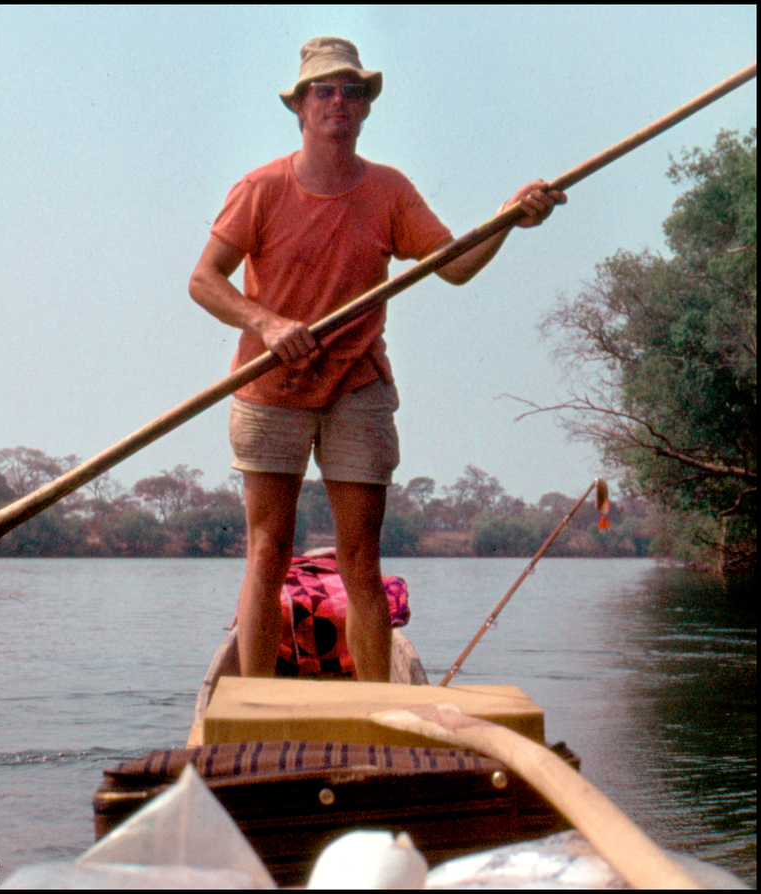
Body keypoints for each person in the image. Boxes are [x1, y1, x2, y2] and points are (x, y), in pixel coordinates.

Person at [189, 37, 565, 681]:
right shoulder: (261, 188)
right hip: (270, 387)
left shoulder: (389, 190)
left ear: (365, 109)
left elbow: (457, 266)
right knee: (268, 552)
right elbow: (205, 280)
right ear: (301, 107)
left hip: (357, 386)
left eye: (352, 91)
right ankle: (251, 709)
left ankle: (373, 712)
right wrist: (268, 323)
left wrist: (507, 219)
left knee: (359, 559)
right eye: (325, 90)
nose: (340, 101)